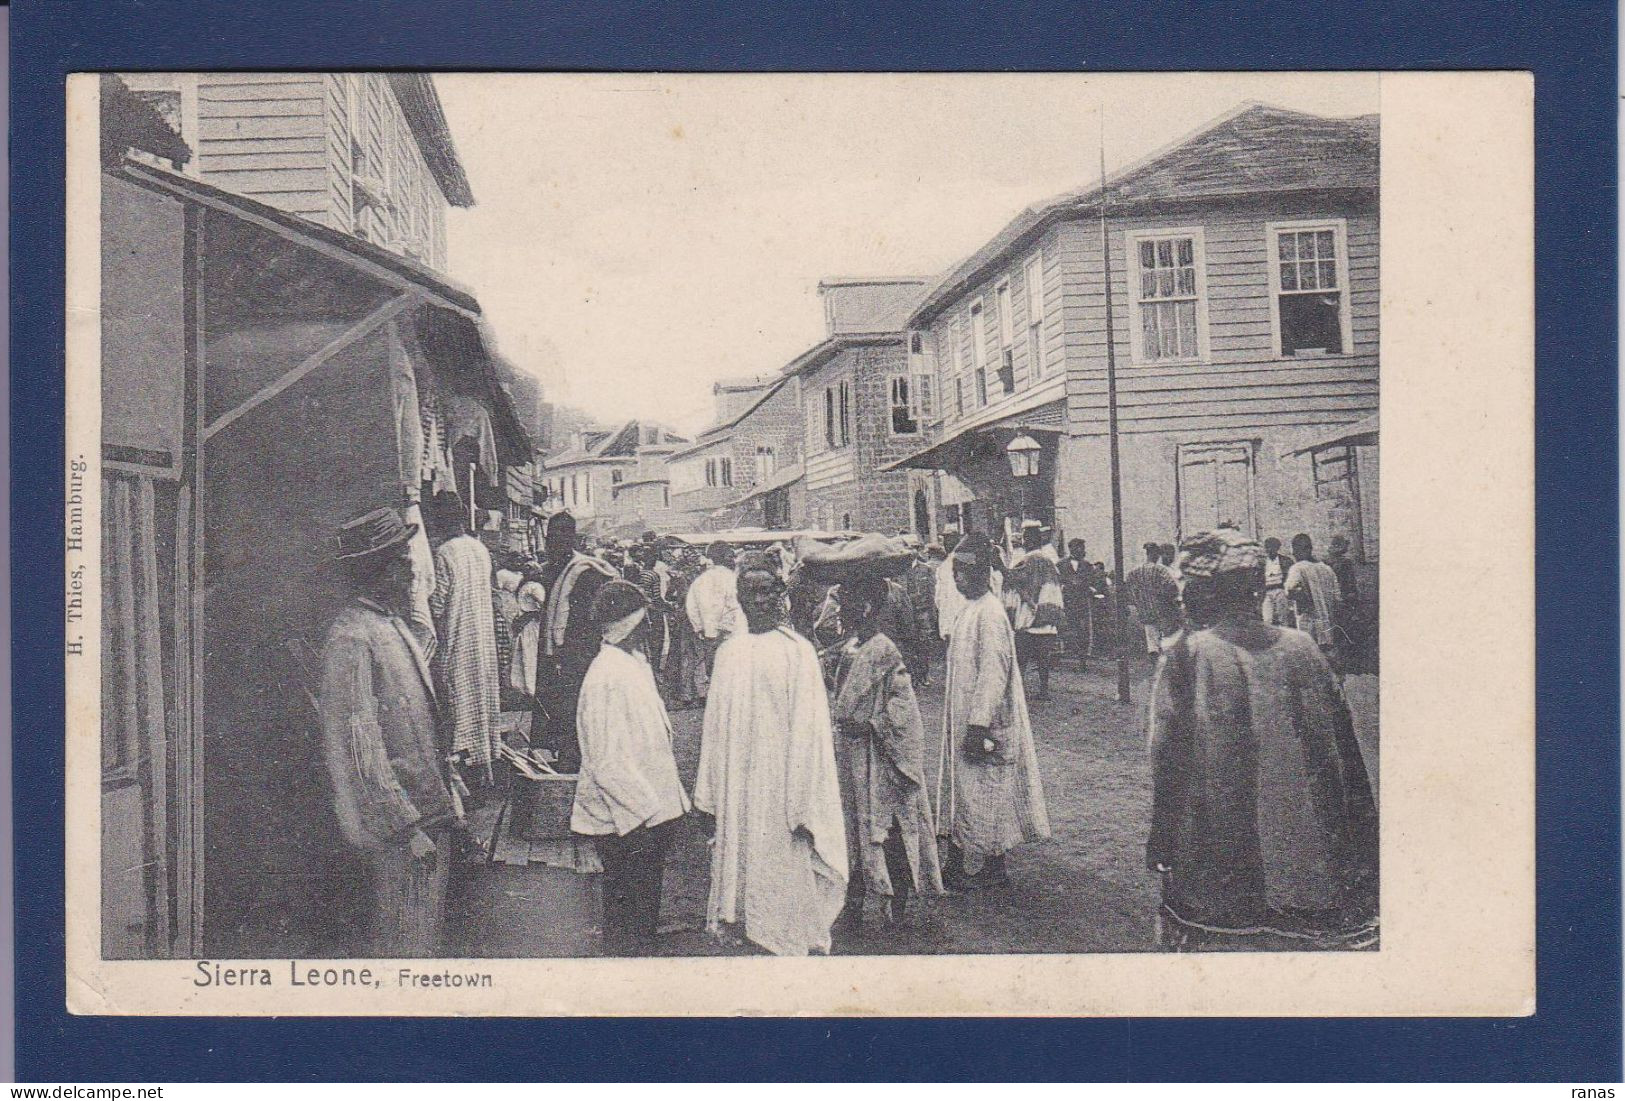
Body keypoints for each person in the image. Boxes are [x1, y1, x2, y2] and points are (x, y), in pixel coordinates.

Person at [1147, 528, 1377, 949]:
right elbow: (1345, 752)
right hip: (1309, 863)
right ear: (1256, 590)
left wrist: (1162, 832)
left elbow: (1167, 759)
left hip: (1219, 862)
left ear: (1203, 594)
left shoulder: (1187, 655)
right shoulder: (1304, 648)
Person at [320, 507, 458, 957]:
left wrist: (446, 782)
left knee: (423, 937)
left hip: (428, 813)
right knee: (404, 944)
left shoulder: (391, 625)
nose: (411, 568)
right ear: (375, 571)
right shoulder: (352, 637)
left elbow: (419, 722)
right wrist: (403, 828)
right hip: (401, 830)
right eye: (401, 560)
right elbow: (361, 749)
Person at [693, 551, 847, 955]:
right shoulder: (728, 653)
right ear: (738, 598)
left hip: (783, 790)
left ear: (780, 594)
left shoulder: (798, 653)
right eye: (749, 593)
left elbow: (811, 733)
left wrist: (803, 805)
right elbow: (714, 730)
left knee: (784, 873)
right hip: (739, 787)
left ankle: (788, 934)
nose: (758, 601)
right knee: (742, 871)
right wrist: (708, 795)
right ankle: (743, 922)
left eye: (766, 592)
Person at [571, 580, 692, 956]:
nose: (650, 630)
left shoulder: (630, 664)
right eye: (644, 622)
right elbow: (607, 761)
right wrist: (644, 814)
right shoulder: (608, 675)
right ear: (630, 625)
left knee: (640, 916)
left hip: (646, 815)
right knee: (629, 922)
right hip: (631, 820)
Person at [934, 533, 1051, 891]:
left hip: (985, 722)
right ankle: (960, 861)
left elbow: (993, 673)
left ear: (982, 574)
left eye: (963, 574)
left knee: (988, 792)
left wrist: (978, 723)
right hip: (964, 717)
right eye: (955, 573)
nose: (957, 580)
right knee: (967, 792)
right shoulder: (969, 610)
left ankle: (990, 865)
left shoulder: (991, 613)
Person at [830, 575, 945, 936]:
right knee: (852, 827)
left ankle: (897, 903)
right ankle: (853, 902)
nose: (839, 613)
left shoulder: (885, 651)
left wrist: (873, 726)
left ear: (864, 608)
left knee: (888, 828)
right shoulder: (848, 648)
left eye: (845, 605)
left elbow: (905, 710)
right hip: (852, 755)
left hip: (881, 758)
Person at [427, 492, 500, 779]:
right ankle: (484, 770)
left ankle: (465, 776)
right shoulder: (480, 549)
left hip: (458, 639)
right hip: (482, 639)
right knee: (481, 701)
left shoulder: (444, 553)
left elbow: (437, 603)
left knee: (458, 706)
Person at [538, 511, 617, 772]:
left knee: (578, 708)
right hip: (555, 653)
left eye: (562, 535)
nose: (556, 541)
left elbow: (588, 620)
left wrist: (569, 652)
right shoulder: (551, 570)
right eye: (552, 536)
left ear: (572, 537)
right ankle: (565, 754)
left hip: (579, 654)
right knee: (557, 708)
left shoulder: (586, 571)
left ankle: (577, 759)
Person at [1004, 524, 1066, 700]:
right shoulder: (1051, 563)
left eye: (1026, 538)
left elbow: (1014, 584)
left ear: (1029, 540)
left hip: (1028, 619)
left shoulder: (1025, 562)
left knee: (1022, 658)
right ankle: (1044, 691)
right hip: (1047, 620)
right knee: (1043, 660)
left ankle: (1019, 691)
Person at [685, 541, 743, 676]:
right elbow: (736, 605)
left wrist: (699, 627)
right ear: (725, 557)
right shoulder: (732, 578)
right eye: (731, 556)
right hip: (731, 634)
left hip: (709, 634)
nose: (733, 560)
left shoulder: (700, 580)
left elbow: (691, 607)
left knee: (714, 673)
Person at [1286, 533, 1344, 666]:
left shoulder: (1298, 568)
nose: (1294, 554)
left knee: (1310, 660)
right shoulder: (1327, 569)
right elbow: (1337, 598)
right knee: (1329, 660)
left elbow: (1291, 590)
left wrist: (1304, 603)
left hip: (1308, 622)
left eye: (1295, 550)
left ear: (1304, 549)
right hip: (1327, 624)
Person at [1124, 542, 1181, 668]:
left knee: (1152, 641)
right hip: (1162, 609)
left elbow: (1127, 586)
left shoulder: (1135, 571)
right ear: (1156, 554)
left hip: (1145, 610)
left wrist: (1137, 600)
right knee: (1166, 637)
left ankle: (1154, 665)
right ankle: (1166, 665)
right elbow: (1172, 586)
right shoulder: (1160, 569)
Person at [1058, 539, 1094, 672]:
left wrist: (1086, 587)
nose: (1082, 551)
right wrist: (1066, 586)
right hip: (1066, 602)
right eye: (1079, 548)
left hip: (1082, 603)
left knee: (1083, 631)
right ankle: (1058, 658)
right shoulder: (1061, 565)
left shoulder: (1087, 565)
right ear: (1071, 549)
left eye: (1082, 548)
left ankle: (1082, 661)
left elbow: (1092, 582)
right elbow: (1057, 582)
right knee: (1064, 629)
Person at [1259, 537, 1296, 626]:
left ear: (1277, 548)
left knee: (1283, 617)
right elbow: (1258, 578)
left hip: (1280, 591)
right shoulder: (1262, 562)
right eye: (1267, 547)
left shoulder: (1285, 561)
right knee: (1267, 619)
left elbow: (1291, 577)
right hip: (1267, 592)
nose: (1269, 550)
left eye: (1272, 547)